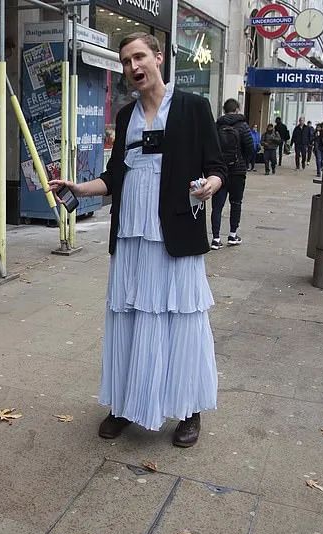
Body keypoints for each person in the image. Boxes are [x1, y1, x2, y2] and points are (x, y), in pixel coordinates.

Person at [49, 32, 224, 448]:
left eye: (139, 57)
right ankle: (125, 405)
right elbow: (114, 178)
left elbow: (218, 166)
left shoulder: (193, 107)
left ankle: (188, 410)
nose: (133, 67)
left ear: (158, 58)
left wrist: (210, 185)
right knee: (127, 321)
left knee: (181, 321)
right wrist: (79, 187)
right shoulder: (126, 117)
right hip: (130, 236)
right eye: (126, 61)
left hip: (175, 235)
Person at [210, 98, 255, 249]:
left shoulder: (217, 126)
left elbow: (212, 148)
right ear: (237, 109)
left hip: (220, 172)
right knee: (236, 203)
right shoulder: (243, 126)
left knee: (217, 206)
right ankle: (232, 235)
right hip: (238, 171)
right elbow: (250, 147)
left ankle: (215, 239)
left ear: (224, 110)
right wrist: (244, 162)